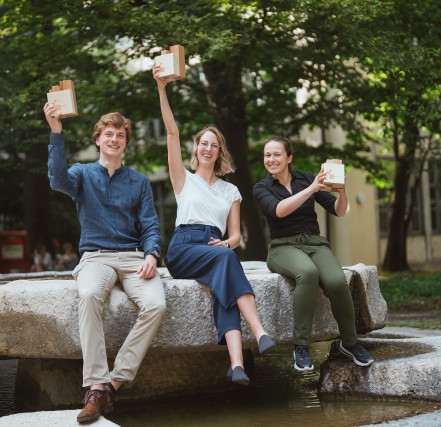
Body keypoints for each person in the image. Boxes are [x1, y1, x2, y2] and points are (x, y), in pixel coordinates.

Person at [43, 103, 166, 424]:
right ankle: (96, 386)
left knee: (156, 304)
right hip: (95, 257)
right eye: (108, 134)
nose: (114, 139)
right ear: (98, 139)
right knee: (89, 296)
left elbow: (150, 224)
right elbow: (56, 180)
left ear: (125, 142)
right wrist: (56, 132)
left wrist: (152, 254)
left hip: (133, 256)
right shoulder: (82, 174)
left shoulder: (139, 181)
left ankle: (115, 380)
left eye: (120, 135)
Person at [153, 65, 275, 386]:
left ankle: (236, 365)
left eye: (213, 145)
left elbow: (235, 236)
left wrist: (227, 244)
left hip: (214, 248)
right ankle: (259, 331)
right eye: (202, 143)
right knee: (227, 262)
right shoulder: (183, 179)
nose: (207, 148)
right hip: (183, 248)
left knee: (226, 284)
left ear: (219, 152)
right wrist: (162, 88)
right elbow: (171, 132)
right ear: (196, 149)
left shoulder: (231, 190)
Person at [253, 136, 374, 370]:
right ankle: (301, 347)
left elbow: (339, 211)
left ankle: (350, 342)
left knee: (338, 281)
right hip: (282, 247)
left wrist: (342, 191)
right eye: (267, 155)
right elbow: (279, 211)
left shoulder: (307, 179)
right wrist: (312, 189)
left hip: (314, 243)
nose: (271, 159)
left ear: (289, 158)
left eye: (276, 154)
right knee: (307, 273)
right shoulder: (262, 187)